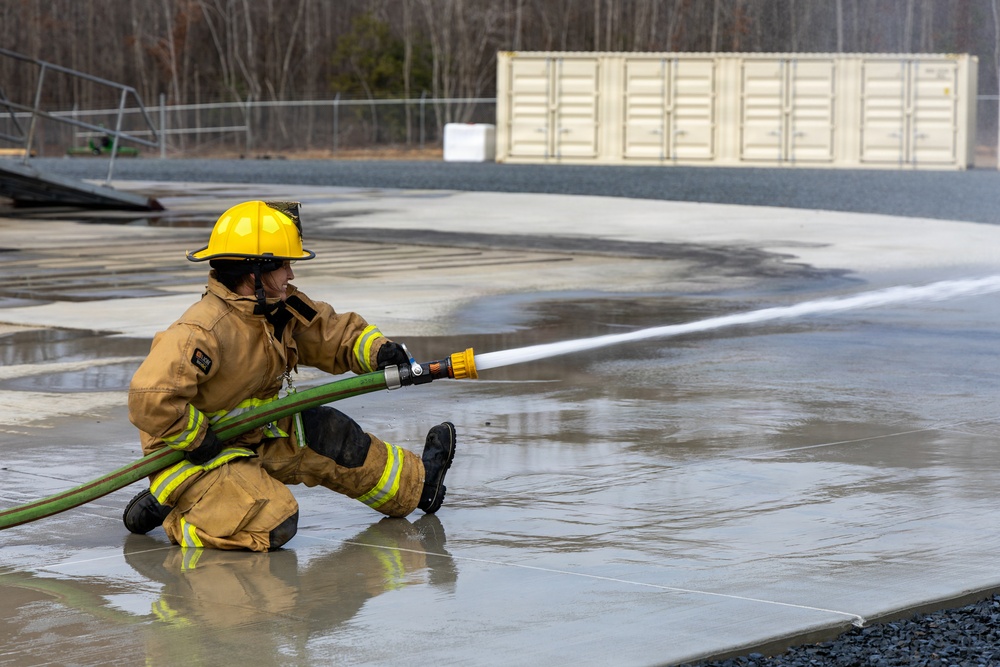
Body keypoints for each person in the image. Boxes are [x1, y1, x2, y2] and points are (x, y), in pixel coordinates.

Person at [122, 200, 456, 551]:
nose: (291, 275)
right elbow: (150, 397)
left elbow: (328, 332)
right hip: (194, 455)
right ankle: (180, 515)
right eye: (283, 265)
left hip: (251, 435)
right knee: (276, 522)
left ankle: (420, 487)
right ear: (254, 272)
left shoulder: (276, 309)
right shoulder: (203, 330)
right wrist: (196, 438)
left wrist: (378, 351)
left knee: (329, 434)